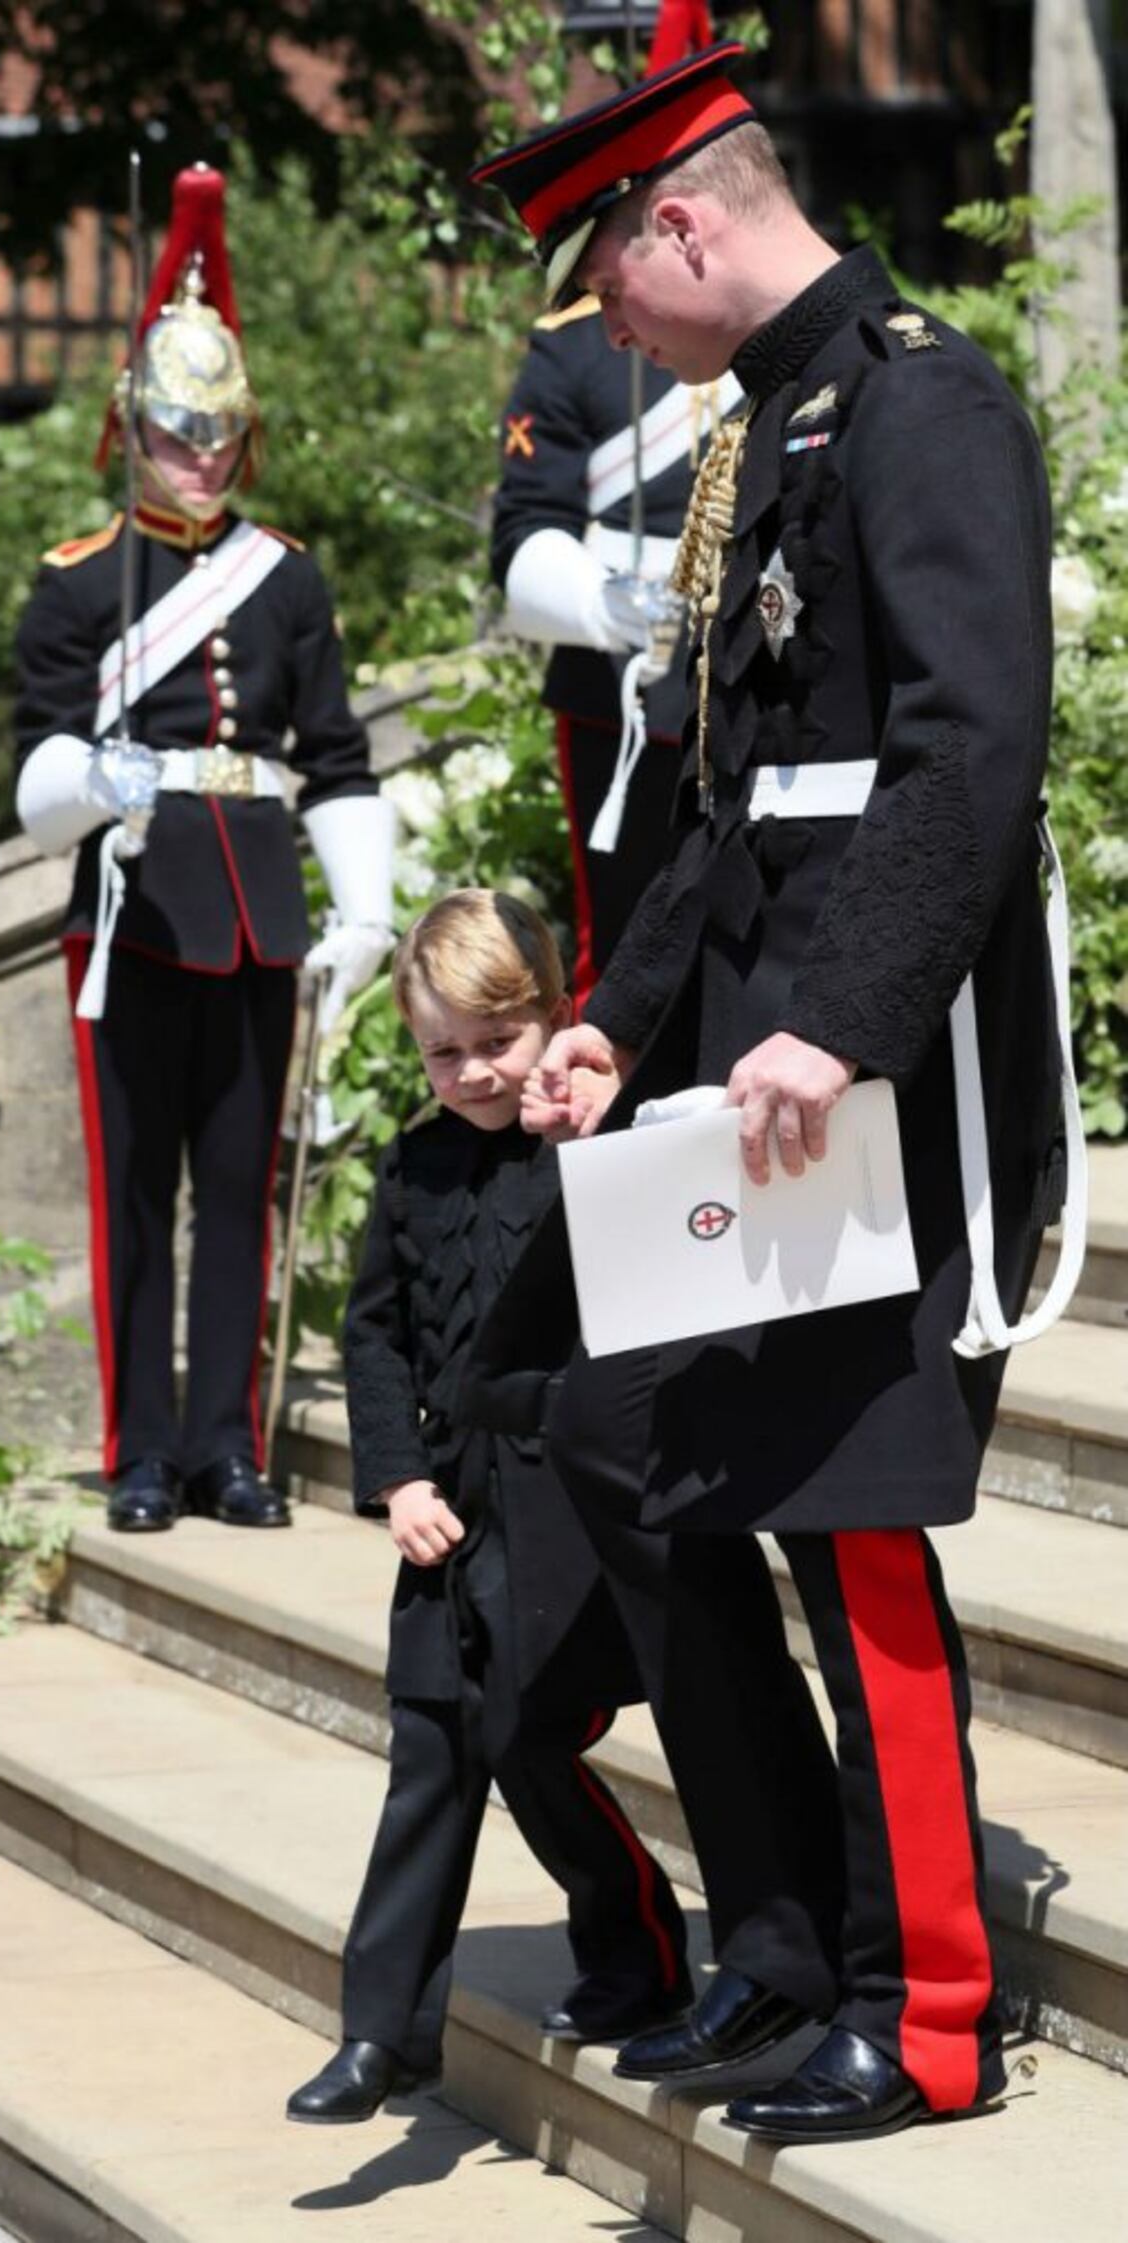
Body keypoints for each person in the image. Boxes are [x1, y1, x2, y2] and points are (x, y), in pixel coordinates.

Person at [467, 43, 1068, 2142]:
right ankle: (791, 1934)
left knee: (859, 1526)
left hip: (869, 1085)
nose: (602, 323)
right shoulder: (767, 429)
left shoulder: (922, 399)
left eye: (608, 273)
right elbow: (728, 814)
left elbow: (971, 745)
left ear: (686, 223)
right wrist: (624, 1017)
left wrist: (853, 1013)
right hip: (752, 1075)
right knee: (630, 1440)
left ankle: (927, 2009)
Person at [15, 165, 395, 1534]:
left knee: (241, 1192)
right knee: (136, 1198)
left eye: (220, 433)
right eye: (177, 431)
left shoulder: (286, 577)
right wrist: (90, 785)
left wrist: (365, 907)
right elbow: (37, 764)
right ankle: (140, 1449)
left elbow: (335, 753)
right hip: (129, 910)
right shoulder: (76, 577)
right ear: (135, 429)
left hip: (254, 910)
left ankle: (229, 1445)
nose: (200, 455)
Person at [284, 891, 690, 2126]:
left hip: (568, 1508)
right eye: (440, 1050)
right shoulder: (411, 1168)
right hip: (446, 1513)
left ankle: (639, 1948)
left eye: (493, 1042)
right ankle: (379, 2033)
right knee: (427, 1754)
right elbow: (374, 1337)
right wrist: (396, 1477)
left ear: (551, 1017)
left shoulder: (591, 1147)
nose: (468, 1073)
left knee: (524, 1734)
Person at [491, 296, 740, 1008]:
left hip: (768, 655)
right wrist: (599, 602)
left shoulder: (771, 311)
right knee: (628, 944)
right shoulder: (576, 345)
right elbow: (527, 521)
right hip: (626, 680)